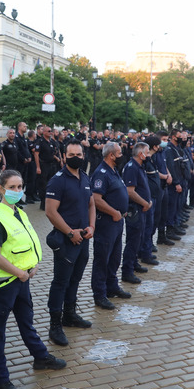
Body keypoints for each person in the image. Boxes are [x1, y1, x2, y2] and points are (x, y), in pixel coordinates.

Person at [0, 170, 67, 389]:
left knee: (27, 323)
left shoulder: (19, 213)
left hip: (21, 280)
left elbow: (27, 244)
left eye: (20, 187)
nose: (18, 191)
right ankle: (0, 380)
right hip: (3, 285)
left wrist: (34, 265)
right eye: (13, 187)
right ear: (0, 188)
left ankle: (41, 357)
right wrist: (20, 273)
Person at [44, 140, 96, 346]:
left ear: (84, 156)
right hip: (66, 240)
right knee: (60, 282)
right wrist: (68, 232)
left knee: (75, 279)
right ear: (64, 156)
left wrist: (92, 227)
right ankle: (55, 325)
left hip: (83, 239)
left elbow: (91, 203)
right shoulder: (57, 180)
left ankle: (70, 315)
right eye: (72, 154)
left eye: (79, 154)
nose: (76, 157)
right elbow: (50, 211)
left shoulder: (84, 176)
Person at [90, 142, 132, 309]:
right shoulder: (101, 173)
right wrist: (114, 212)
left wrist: (122, 210)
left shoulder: (113, 171)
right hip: (106, 223)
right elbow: (96, 199)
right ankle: (99, 294)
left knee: (114, 257)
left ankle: (111, 286)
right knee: (102, 259)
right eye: (119, 153)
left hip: (117, 222)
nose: (122, 155)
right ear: (111, 155)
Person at [122, 142, 153, 285]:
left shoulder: (140, 166)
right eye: (147, 152)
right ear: (140, 154)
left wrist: (148, 202)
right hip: (134, 210)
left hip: (142, 209)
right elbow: (130, 191)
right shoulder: (131, 167)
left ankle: (134, 263)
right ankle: (127, 271)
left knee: (138, 238)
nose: (148, 155)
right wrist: (144, 203)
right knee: (133, 240)